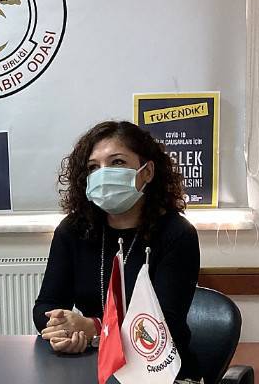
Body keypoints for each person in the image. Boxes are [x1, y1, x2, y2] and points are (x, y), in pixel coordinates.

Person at [33, 121, 201, 380]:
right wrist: (64, 330)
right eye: (93, 167)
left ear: (147, 172)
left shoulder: (177, 234)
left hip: (162, 372)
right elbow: (46, 305)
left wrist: (94, 328)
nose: (103, 174)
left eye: (117, 162)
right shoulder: (73, 230)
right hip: (93, 365)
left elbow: (164, 326)